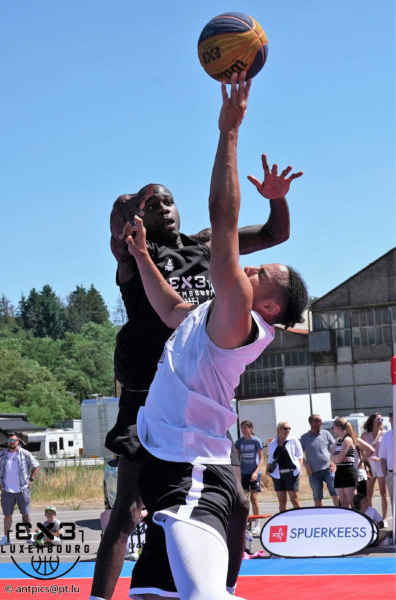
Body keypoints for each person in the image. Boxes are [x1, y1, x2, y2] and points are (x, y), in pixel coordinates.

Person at [91, 81, 293, 600]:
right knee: (129, 508)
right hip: (148, 389)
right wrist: (133, 226)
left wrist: (272, 195)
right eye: (153, 203)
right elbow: (168, 304)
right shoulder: (136, 252)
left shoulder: (207, 250)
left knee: (230, 503)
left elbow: (269, 233)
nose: (164, 207)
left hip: (192, 404)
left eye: (169, 200)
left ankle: (216, 583)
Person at [0, 432, 39, 546]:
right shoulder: (1, 455)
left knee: (26, 514)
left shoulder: (24, 453)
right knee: (7, 515)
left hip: (22, 489)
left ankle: (29, 536)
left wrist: (31, 479)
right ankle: (6, 538)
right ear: (7, 442)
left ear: (18, 442)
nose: (12, 442)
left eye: (14, 440)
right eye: (10, 441)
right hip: (7, 490)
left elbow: (36, 465)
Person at [300, 414, 339, 507]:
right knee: (317, 496)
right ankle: (320, 514)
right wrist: (306, 466)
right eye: (318, 421)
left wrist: (333, 462)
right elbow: (299, 454)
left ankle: (339, 512)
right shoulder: (304, 438)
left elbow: (335, 448)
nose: (321, 423)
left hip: (328, 469)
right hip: (313, 472)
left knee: (335, 492)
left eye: (321, 420)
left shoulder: (326, 434)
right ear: (312, 423)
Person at [235, 420, 265, 535]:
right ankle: (246, 523)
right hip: (244, 473)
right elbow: (237, 459)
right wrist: (237, 474)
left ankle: (257, 524)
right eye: (242, 428)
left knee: (254, 498)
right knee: (244, 499)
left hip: (254, 473)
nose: (243, 430)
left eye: (245, 428)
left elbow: (261, 459)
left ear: (251, 428)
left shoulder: (256, 441)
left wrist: (256, 472)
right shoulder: (239, 442)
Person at [266, 421, 303, 513]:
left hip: (292, 473)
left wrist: (299, 468)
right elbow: (271, 458)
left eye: (289, 428)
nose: (288, 430)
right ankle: (284, 519)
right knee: (282, 501)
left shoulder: (293, 440)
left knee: (294, 499)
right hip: (278, 474)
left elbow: (300, 456)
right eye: (285, 428)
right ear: (279, 429)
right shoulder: (273, 442)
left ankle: (301, 518)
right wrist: (267, 469)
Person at [361, 413, 388, 519]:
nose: (380, 421)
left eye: (381, 419)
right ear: (372, 421)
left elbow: (387, 450)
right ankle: (371, 517)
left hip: (381, 465)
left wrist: (381, 458)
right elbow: (359, 449)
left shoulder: (384, 434)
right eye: (378, 419)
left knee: (383, 493)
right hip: (370, 466)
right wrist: (362, 462)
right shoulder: (365, 435)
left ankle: (384, 519)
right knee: (368, 493)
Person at [330, 417, 358, 508]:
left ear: (338, 427)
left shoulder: (347, 439)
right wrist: (337, 458)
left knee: (352, 502)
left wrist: (337, 458)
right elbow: (331, 457)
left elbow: (340, 458)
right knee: (343, 503)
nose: (333, 429)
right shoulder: (338, 440)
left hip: (348, 471)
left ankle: (358, 516)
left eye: (333, 427)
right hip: (339, 471)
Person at [379, 410, 394, 513]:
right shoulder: (387, 435)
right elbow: (382, 457)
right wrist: (386, 475)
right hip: (391, 474)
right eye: (392, 417)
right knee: (394, 501)